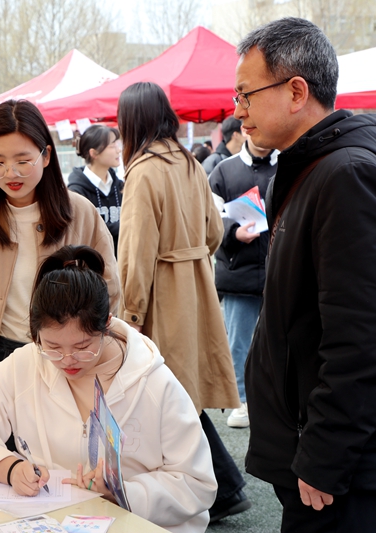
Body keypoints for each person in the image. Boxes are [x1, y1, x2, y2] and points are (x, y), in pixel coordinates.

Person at [234, 18, 376, 532]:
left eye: (246, 94)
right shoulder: (311, 168)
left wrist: (325, 455)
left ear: (297, 92)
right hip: (313, 444)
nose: (239, 111)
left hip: (337, 465)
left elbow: (363, 336)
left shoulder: (346, 174)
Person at [0, 245, 217, 532]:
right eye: (53, 347)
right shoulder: (26, 364)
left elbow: (197, 483)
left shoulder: (154, 383)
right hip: (51, 522)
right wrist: (6, 467)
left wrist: (123, 493)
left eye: (83, 347)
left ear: (106, 325)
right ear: (35, 334)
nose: (67, 360)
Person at [115, 82, 249, 523]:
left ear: (131, 121)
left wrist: (131, 315)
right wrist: (190, 258)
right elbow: (213, 231)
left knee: (166, 394)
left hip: (164, 293)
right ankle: (223, 488)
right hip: (196, 287)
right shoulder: (189, 161)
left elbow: (136, 250)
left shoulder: (143, 171)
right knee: (179, 392)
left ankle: (220, 488)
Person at [0, 100, 120, 396]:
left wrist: (84, 348)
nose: (10, 173)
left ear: (46, 155)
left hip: (67, 358)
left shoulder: (80, 213)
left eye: (23, 161)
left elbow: (109, 289)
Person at [209, 129, 278, 428]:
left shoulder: (288, 164)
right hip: (238, 271)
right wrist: (233, 233)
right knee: (238, 343)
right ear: (244, 131)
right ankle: (241, 400)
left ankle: (276, 400)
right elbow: (210, 218)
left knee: (280, 342)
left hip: (280, 271)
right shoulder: (224, 170)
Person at [67, 125, 124, 256]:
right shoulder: (77, 192)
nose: (119, 150)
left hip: (121, 261)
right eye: (112, 146)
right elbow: (86, 231)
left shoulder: (121, 186)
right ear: (94, 153)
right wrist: (125, 225)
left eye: (117, 144)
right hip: (93, 263)